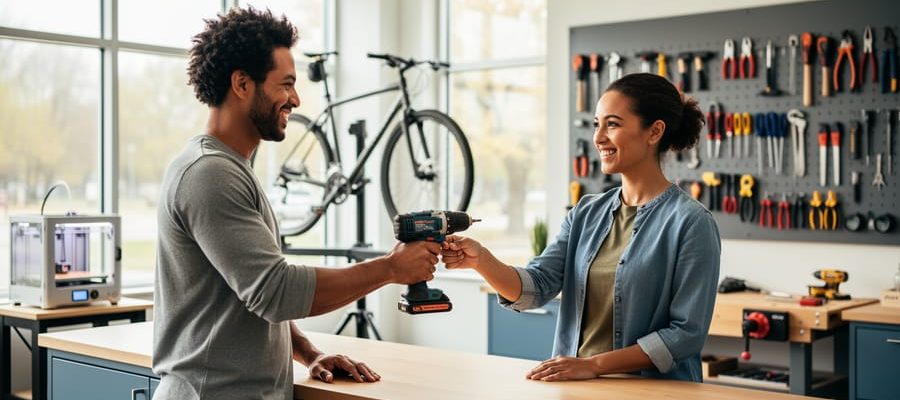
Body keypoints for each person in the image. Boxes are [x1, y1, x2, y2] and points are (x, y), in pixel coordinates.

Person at [153, 7, 441, 399]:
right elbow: (274, 291)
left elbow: (247, 292)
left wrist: (308, 352)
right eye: (285, 84)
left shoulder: (230, 169)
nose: (296, 99)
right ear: (242, 84)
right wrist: (391, 268)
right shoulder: (209, 174)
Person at [442, 73, 720, 382]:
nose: (598, 137)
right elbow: (537, 287)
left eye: (612, 124)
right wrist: (481, 260)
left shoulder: (691, 222)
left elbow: (685, 334)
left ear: (654, 132)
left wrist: (595, 364)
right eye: (596, 125)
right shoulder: (587, 212)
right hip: (580, 388)